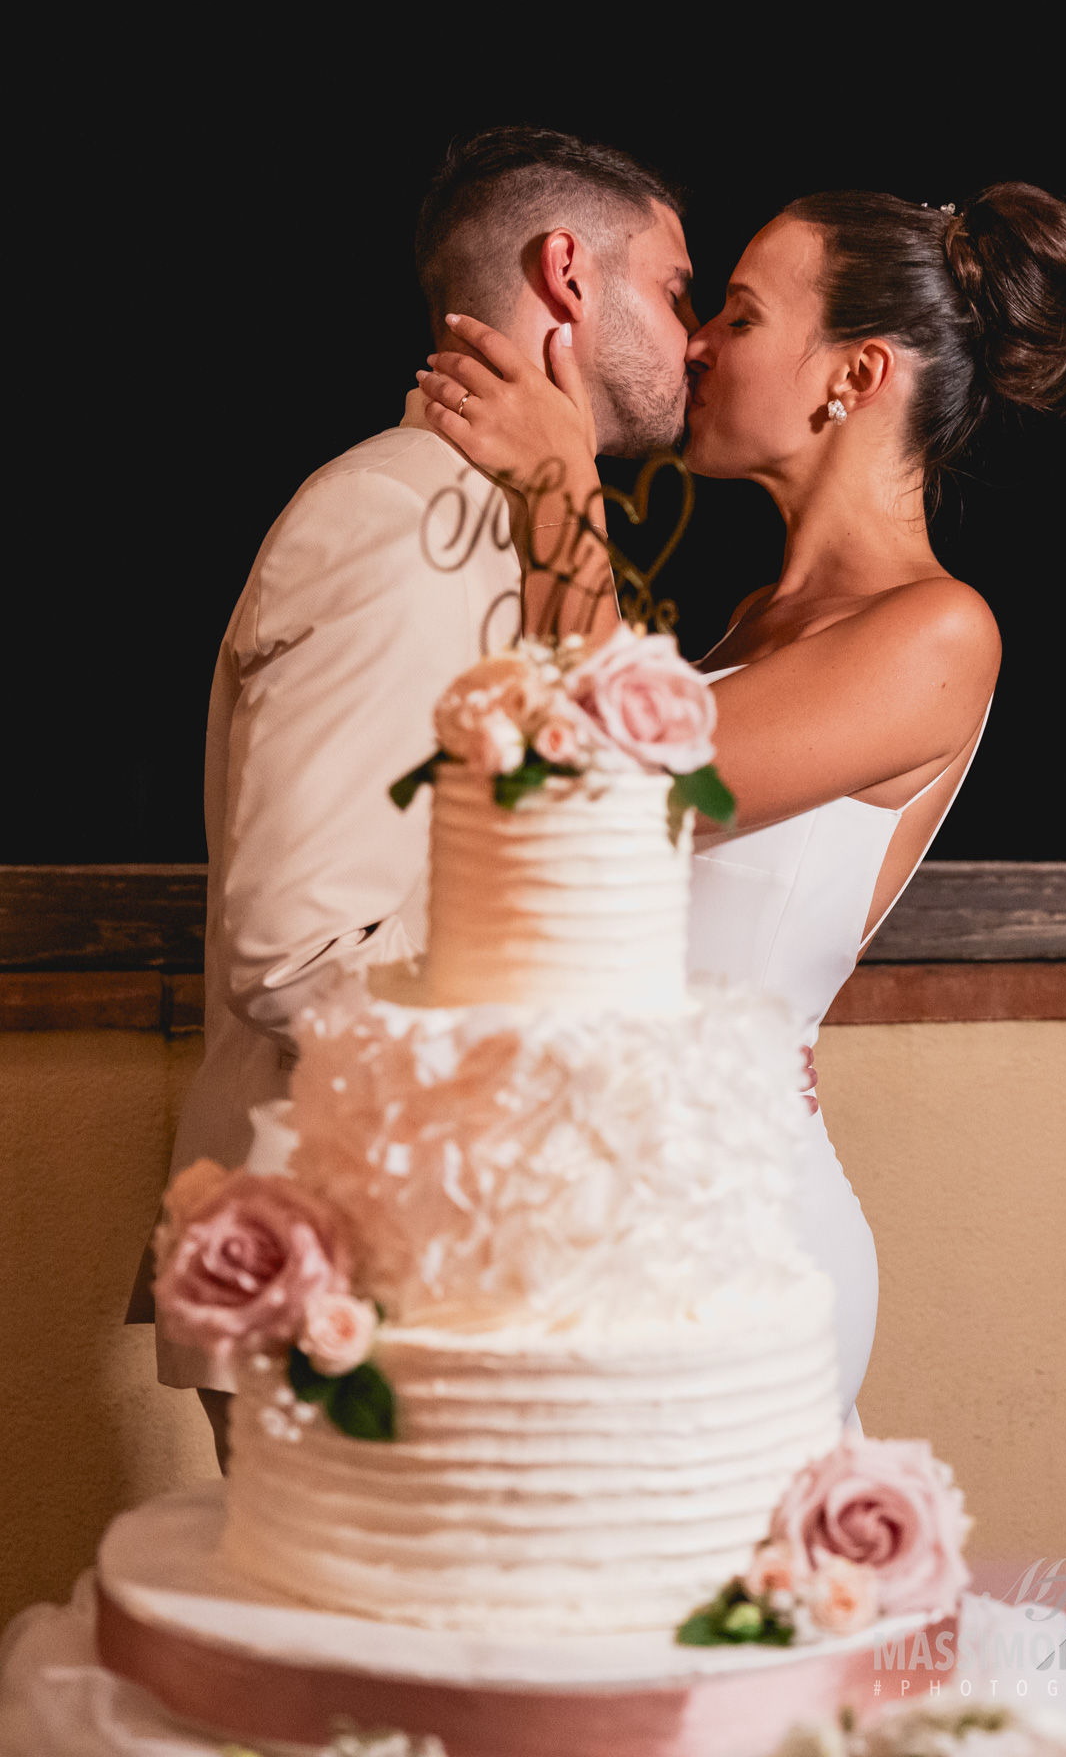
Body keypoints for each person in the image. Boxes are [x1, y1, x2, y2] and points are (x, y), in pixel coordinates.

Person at [410, 180, 1066, 1418]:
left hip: (737, 1234)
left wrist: (561, 497)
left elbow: (619, 801)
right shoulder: (751, 627)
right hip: (597, 1206)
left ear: (854, 376)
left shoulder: (939, 630)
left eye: (737, 312)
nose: (695, 343)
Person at [143, 127, 696, 1466]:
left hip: (432, 1259)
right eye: (681, 293)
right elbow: (297, 947)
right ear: (568, 276)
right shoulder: (393, 519)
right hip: (348, 1267)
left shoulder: (501, 528)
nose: (698, 341)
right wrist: (543, 1042)